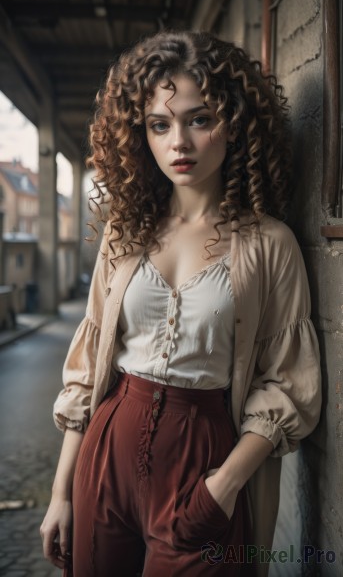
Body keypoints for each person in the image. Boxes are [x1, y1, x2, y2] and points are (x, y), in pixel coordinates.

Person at [40, 30, 321, 577]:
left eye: (200, 118)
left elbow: (287, 383)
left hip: (204, 466)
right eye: (159, 125)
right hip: (106, 457)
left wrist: (224, 486)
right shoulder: (125, 230)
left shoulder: (270, 244)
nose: (179, 144)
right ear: (139, 133)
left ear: (235, 122)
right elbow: (89, 366)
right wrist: (61, 492)